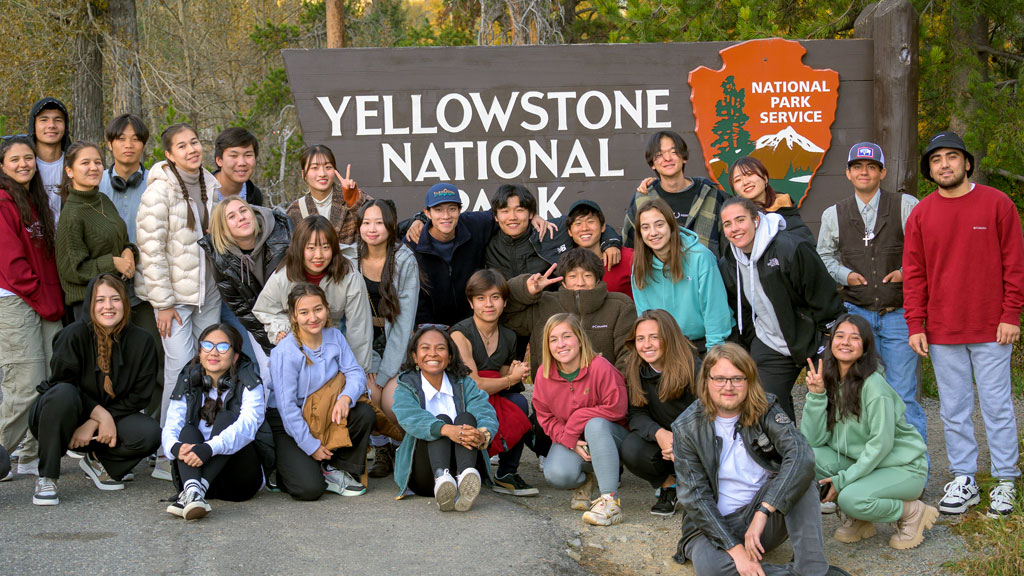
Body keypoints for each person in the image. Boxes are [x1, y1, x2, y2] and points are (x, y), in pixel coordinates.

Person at [904, 131, 1024, 518]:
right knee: (953, 409)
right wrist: (915, 324)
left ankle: (1006, 480)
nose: (945, 164)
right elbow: (915, 273)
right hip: (942, 329)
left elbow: (1014, 265)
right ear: (930, 169)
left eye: (952, 157)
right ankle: (964, 479)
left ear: (966, 163)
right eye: (936, 159)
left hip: (991, 328)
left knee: (997, 406)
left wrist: (1011, 315)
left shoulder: (997, 203)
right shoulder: (922, 213)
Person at [672, 342, 849, 576]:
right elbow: (695, 498)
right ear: (706, 380)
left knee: (802, 476)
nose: (729, 386)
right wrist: (736, 552)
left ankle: (812, 569)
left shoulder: (766, 408)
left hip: (762, 520)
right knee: (712, 568)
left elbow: (801, 455)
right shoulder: (686, 427)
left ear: (749, 380)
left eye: (737, 378)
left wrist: (763, 512)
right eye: (720, 379)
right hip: (711, 527)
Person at [815, 142, 926, 447]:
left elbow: (927, 248)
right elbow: (823, 255)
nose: (864, 172)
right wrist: (845, 275)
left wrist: (906, 271)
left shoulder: (906, 206)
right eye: (858, 167)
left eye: (871, 167)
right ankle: (865, 461)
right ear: (848, 173)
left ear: (882, 172)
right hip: (857, 314)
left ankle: (915, 469)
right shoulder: (833, 214)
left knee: (903, 394)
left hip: (898, 314)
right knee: (857, 390)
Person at [801, 314, 935, 549]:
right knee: (810, 456)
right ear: (831, 342)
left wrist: (843, 481)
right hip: (867, 463)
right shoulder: (831, 380)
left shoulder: (874, 386)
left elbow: (880, 445)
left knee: (850, 497)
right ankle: (862, 519)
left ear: (864, 347)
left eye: (854, 338)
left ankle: (912, 511)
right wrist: (816, 395)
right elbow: (813, 439)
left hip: (902, 468)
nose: (845, 342)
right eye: (840, 336)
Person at [136, 122, 222, 480]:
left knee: (210, 367)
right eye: (182, 146)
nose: (191, 150)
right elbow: (150, 249)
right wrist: (164, 302)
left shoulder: (211, 184)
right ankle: (164, 452)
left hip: (208, 295)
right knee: (179, 369)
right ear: (168, 155)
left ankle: (202, 441)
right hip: (175, 300)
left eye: (195, 142)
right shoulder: (159, 190)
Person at [28, 274, 160, 505]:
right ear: (90, 303)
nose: (108, 306)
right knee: (63, 394)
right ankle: (47, 476)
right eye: (100, 300)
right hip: (59, 418)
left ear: (126, 303)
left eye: (115, 299)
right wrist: (98, 413)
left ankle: (100, 461)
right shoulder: (73, 335)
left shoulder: (143, 341)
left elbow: (139, 397)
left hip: (107, 422)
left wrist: (98, 421)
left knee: (149, 433)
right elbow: (60, 384)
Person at [718, 197, 844, 420]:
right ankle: (788, 451)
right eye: (728, 224)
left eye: (740, 220)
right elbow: (743, 310)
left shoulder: (791, 248)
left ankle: (827, 452)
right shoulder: (729, 260)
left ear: (756, 220)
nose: (734, 228)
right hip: (771, 341)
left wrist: (828, 336)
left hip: (814, 336)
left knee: (828, 404)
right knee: (763, 404)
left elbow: (823, 295)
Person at [266, 283, 375, 501]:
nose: (313, 318)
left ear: (327, 308)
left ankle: (334, 468)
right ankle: (283, 470)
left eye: (318, 309)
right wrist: (311, 446)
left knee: (364, 412)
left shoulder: (334, 336)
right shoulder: (285, 352)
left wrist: (345, 398)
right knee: (309, 489)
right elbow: (287, 409)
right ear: (294, 316)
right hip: (291, 420)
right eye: (304, 312)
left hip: (326, 409)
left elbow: (355, 372)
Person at [0, 136, 63, 480]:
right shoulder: (2, 201)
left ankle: (30, 452)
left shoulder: (32, 200)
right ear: (2, 166)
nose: (24, 164)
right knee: (25, 385)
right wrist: (45, 299)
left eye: (29, 158)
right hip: (15, 299)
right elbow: (13, 265)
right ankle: (1, 451)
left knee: (50, 381)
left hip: (41, 299)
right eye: (15, 160)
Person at [162, 324, 266, 520]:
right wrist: (175, 447)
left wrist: (209, 448)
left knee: (227, 418)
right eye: (207, 345)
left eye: (223, 347)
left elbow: (248, 427)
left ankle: (193, 492)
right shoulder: (187, 379)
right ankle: (194, 492)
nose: (214, 352)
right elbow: (172, 424)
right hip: (196, 476)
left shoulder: (249, 381)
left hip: (238, 483)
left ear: (235, 356)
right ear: (200, 353)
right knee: (187, 431)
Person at [532, 313, 628, 526]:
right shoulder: (543, 374)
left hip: (611, 438)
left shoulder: (599, 366)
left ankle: (609, 501)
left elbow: (618, 409)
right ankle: (586, 481)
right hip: (574, 439)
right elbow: (544, 416)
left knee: (594, 424)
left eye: (567, 336)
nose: (561, 344)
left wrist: (577, 420)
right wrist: (569, 440)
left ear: (580, 338)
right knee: (557, 474)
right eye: (553, 339)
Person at [392, 325, 498, 511]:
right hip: (425, 477)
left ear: (449, 357)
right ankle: (442, 479)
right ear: (415, 357)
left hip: (465, 463)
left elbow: (484, 410)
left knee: (466, 416)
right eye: (425, 348)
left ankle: (465, 477)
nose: (432, 354)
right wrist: (446, 429)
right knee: (440, 420)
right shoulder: (405, 386)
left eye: (440, 348)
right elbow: (409, 416)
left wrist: (483, 434)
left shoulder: (464, 383)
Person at [98, 115, 163, 419]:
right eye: (121, 138)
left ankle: (151, 427)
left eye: (135, 139)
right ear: (110, 144)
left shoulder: (157, 184)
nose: (128, 145)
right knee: (105, 361)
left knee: (152, 358)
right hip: (103, 290)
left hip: (146, 291)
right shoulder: (94, 184)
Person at [450, 269, 536, 496]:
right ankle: (473, 465)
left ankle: (506, 473)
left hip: (494, 392)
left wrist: (516, 372)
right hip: (463, 396)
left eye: (495, 297)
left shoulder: (509, 336)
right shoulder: (460, 334)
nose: (488, 304)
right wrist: (511, 378)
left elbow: (507, 375)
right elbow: (475, 385)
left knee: (518, 402)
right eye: (481, 298)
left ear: (505, 302)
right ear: (471, 303)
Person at [252, 215, 373, 372]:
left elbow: (359, 329)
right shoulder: (283, 275)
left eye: (325, 247)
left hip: (337, 339)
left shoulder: (348, 275)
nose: (318, 255)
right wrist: (283, 329)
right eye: (310, 248)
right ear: (299, 248)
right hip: (299, 341)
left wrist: (357, 372)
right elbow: (265, 309)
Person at [356, 199, 419, 478]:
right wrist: (366, 364)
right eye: (366, 222)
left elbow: (404, 325)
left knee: (390, 401)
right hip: (362, 343)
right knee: (367, 396)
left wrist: (382, 376)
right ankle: (379, 447)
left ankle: (399, 445)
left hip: (397, 344)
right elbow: (347, 320)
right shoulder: (350, 258)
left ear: (391, 225)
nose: (372, 229)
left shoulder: (404, 259)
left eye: (379, 222)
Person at [504, 248, 636, 375]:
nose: (580, 282)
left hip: (604, 391)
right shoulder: (543, 304)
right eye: (573, 276)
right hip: (552, 390)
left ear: (598, 279)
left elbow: (627, 355)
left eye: (587, 275)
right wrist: (525, 290)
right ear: (564, 281)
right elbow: (503, 314)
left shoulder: (619, 306)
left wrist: (615, 389)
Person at [621, 310, 699, 516]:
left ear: (669, 337)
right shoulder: (635, 368)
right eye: (640, 339)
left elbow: (710, 418)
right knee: (631, 448)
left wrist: (680, 443)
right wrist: (659, 434)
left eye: (654, 337)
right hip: (663, 445)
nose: (647, 345)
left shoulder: (695, 369)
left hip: (696, 443)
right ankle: (668, 486)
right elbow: (636, 413)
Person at [632, 198, 732, 355]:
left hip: (707, 343)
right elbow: (646, 318)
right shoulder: (639, 266)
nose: (653, 233)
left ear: (671, 225)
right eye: (645, 227)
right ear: (639, 233)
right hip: (667, 347)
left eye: (659, 225)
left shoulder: (700, 257)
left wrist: (714, 354)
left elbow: (714, 310)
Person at [199, 195, 292, 362]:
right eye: (231, 216)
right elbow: (241, 308)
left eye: (244, 211)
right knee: (270, 370)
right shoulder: (221, 258)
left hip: (298, 313)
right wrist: (272, 345)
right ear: (223, 227)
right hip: (261, 322)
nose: (241, 217)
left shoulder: (282, 234)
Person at [55, 141, 137, 318]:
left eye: (98, 162)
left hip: (116, 297)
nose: (94, 167)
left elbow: (120, 239)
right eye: (85, 163)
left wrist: (129, 250)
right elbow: (71, 269)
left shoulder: (102, 200)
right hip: (90, 304)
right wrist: (113, 263)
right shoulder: (71, 215)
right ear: (69, 171)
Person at [624, 130, 729, 258]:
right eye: (659, 154)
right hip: (658, 276)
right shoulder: (643, 198)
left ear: (684, 157)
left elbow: (729, 247)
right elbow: (629, 248)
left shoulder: (710, 195)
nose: (667, 158)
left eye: (673, 152)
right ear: (652, 164)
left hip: (706, 275)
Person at [483, 184, 619, 283]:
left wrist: (610, 243)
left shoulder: (552, 229)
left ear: (531, 213)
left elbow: (589, 226)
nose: (512, 217)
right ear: (495, 216)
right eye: (505, 211)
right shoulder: (490, 245)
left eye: (519, 210)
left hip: (554, 313)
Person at [286, 144, 371, 244]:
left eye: (328, 167)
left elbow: (378, 225)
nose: (322, 174)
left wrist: (355, 203)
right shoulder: (295, 210)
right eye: (315, 168)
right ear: (304, 174)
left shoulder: (353, 196)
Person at [729, 156, 813, 244]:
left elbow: (807, 248)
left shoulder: (786, 208)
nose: (745, 182)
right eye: (738, 180)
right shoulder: (733, 220)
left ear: (765, 178)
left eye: (750, 174)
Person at [564, 199, 632, 299]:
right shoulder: (567, 262)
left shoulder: (628, 258)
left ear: (603, 227)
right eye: (578, 223)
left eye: (590, 221)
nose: (584, 228)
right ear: (570, 231)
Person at [27, 97, 71, 224]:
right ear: (33, 125)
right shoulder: (22, 167)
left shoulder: (75, 165)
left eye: (58, 120)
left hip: (68, 240)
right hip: (33, 240)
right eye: (44, 120)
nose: (51, 125)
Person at [213, 127, 264, 206]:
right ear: (219, 160)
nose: (242, 163)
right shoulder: (201, 192)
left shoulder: (254, 195)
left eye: (248, 155)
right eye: (234, 156)